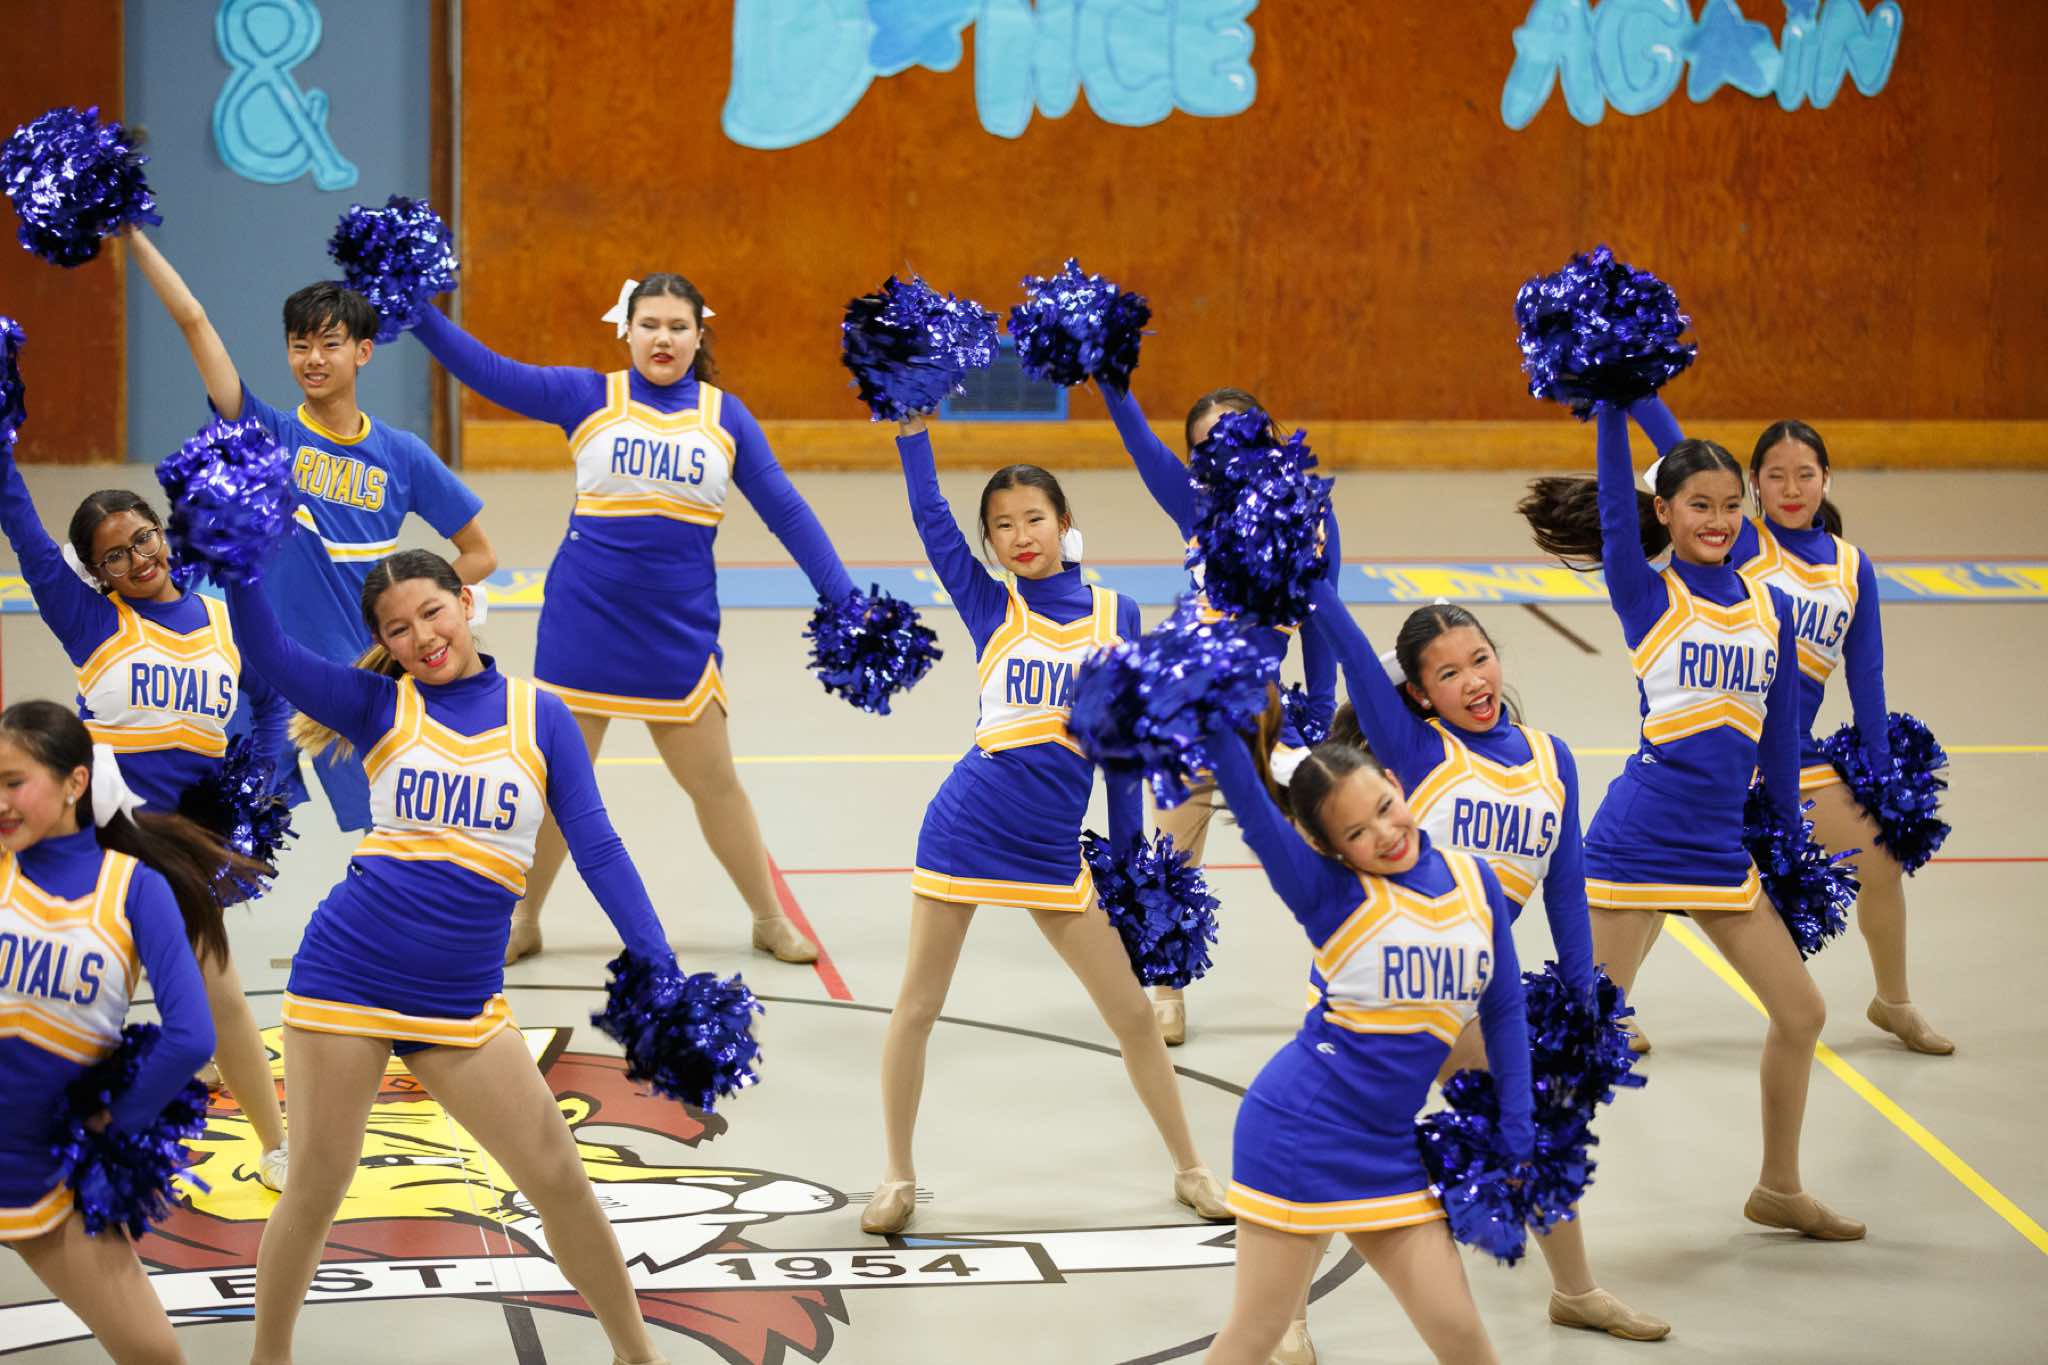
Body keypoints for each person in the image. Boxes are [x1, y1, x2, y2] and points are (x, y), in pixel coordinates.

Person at [223, 550, 676, 1365]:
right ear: (383, 642)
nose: (423, 637)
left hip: (460, 1001)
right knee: (318, 1184)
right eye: (398, 629)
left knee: (559, 1177)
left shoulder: (541, 716)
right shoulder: (377, 704)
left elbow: (598, 846)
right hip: (348, 981)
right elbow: (269, 652)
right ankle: (269, 1358)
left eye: (433, 611)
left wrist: (658, 960)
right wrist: (240, 559)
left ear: (466, 601)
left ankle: (636, 1354)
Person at [408, 277, 849, 966]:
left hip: (677, 634)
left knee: (716, 785)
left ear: (699, 335)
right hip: (583, 626)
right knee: (554, 787)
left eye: (677, 326)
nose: (662, 339)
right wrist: (416, 313)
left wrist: (843, 598)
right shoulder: (587, 396)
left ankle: (769, 917)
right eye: (650, 325)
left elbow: (787, 512)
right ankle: (523, 918)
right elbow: (489, 371)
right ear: (628, 330)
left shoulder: (726, 418)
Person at [861, 415, 1228, 1235]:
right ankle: (896, 1175)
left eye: (1034, 517)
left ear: (1065, 523)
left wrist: (1131, 869)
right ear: (989, 544)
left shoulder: (1118, 615)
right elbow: (929, 516)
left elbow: (1123, 754)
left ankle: (1191, 1168)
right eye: (1002, 525)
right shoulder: (990, 604)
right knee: (917, 1005)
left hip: (1053, 850)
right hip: (965, 828)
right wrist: (912, 430)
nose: (1020, 535)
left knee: (1133, 1014)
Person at [1517, 407, 1862, 1240]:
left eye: (1731, 505)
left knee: (1802, 1012)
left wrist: (1788, 838)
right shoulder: (1647, 593)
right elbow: (1613, 503)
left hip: (1719, 848)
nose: (1718, 520)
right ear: (1665, 512)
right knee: (1585, 1037)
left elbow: (1779, 734)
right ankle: (1521, 1181)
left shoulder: (1769, 607)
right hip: (1637, 843)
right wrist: (1610, 407)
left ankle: (1778, 1186)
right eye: (1699, 505)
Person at [1306, 578, 1666, 1342]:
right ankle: (1283, 1316)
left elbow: (1565, 887)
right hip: (1394, 983)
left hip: (1479, 987)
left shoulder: (1551, 759)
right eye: (1448, 673)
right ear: (1420, 695)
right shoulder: (1417, 750)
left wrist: (1587, 1000)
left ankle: (1575, 1290)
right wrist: (1313, 575)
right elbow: (1351, 654)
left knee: (1526, 1118)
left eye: (1480, 658)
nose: (1473, 680)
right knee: (1349, 1141)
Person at [127, 228, 497, 833]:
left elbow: (480, 552)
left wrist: (408, 614)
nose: (314, 359)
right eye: (300, 346)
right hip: (264, 680)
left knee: (399, 836)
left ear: (364, 352)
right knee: (226, 841)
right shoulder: (267, 432)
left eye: (330, 344)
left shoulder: (402, 455)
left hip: (360, 681)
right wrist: (132, 233)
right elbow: (194, 320)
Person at [1196, 703, 1531, 1365]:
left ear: (1397, 784)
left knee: (1461, 1333)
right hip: (1298, 1131)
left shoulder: (1475, 880)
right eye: (1356, 830)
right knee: (1257, 1332)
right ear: (1329, 848)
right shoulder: (1330, 897)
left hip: (1388, 1143)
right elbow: (1256, 811)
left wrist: (1517, 1126)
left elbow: (1504, 1008)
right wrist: (1213, 712)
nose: (1384, 832)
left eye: (1384, 806)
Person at [0, 444, 292, 1193]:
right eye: (116, 556)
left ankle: (276, 1144)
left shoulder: (223, 622)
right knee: (69, 994)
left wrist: (258, 783)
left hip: (182, 845)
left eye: (144, 538)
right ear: (97, 573)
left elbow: (271, 703)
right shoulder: (91, 620)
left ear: (163, 533)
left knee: (219, 995)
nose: (138, 560)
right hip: (98, 835)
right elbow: (26, 532)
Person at [1630, 399, 1951, 1056]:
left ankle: (1893, 1003)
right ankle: (1610, 1008)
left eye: (1805, 474)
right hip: (1716, 751)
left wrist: (1882, 774)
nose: (1791, 488)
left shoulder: (1852, 566)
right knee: (1656, 876)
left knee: (1881, 859)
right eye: (1774, 475)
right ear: (1752, 485)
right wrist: (1638, 392)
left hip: (1792, 755)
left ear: (1827, 479)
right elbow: (1682, 453)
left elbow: (1867, 674)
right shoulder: (1743, 539)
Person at [0, 700, 259, 1364]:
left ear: (75, 782)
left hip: (51, 1174)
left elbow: (192, 1036)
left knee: (154, 1355)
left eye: (13, 782)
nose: (0, 801)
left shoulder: (134, 886)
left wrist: (115, 1122)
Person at [1099, 380, 1337, 1044]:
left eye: (1238, 431)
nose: (1226, 450)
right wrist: (1111, 380)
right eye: (1208, 444)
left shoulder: (1311, 511)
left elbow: (1325, 617)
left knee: (1329, 840)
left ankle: (1334, 983)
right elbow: (1141, 444)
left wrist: (1319, 712)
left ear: (1267, 431)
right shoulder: (1196, 507)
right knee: (1173, 855)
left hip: (1267, 713)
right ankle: (1166, 990)